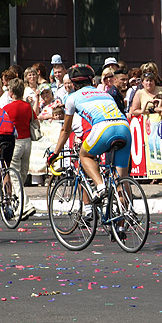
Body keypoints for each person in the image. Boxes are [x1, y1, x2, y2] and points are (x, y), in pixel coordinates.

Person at [51, 65, 132, 230]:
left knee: (85, 156)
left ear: (73, 84)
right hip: (124, 127)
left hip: (103, 128)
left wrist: (55, 153)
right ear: (92, 81)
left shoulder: (72, 97)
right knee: (120, 182)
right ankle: (121, 228)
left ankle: (100, 186)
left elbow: (66, 130)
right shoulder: (104, 93)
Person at [3, 79, 37, 217]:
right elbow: (34, 120)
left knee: (14, 176)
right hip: (27, 142)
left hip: (15, 142)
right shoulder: (27, 106)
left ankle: (26, 205)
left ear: (11, 93)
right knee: (22, 175)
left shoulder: (6, 108)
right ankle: (20, 208)